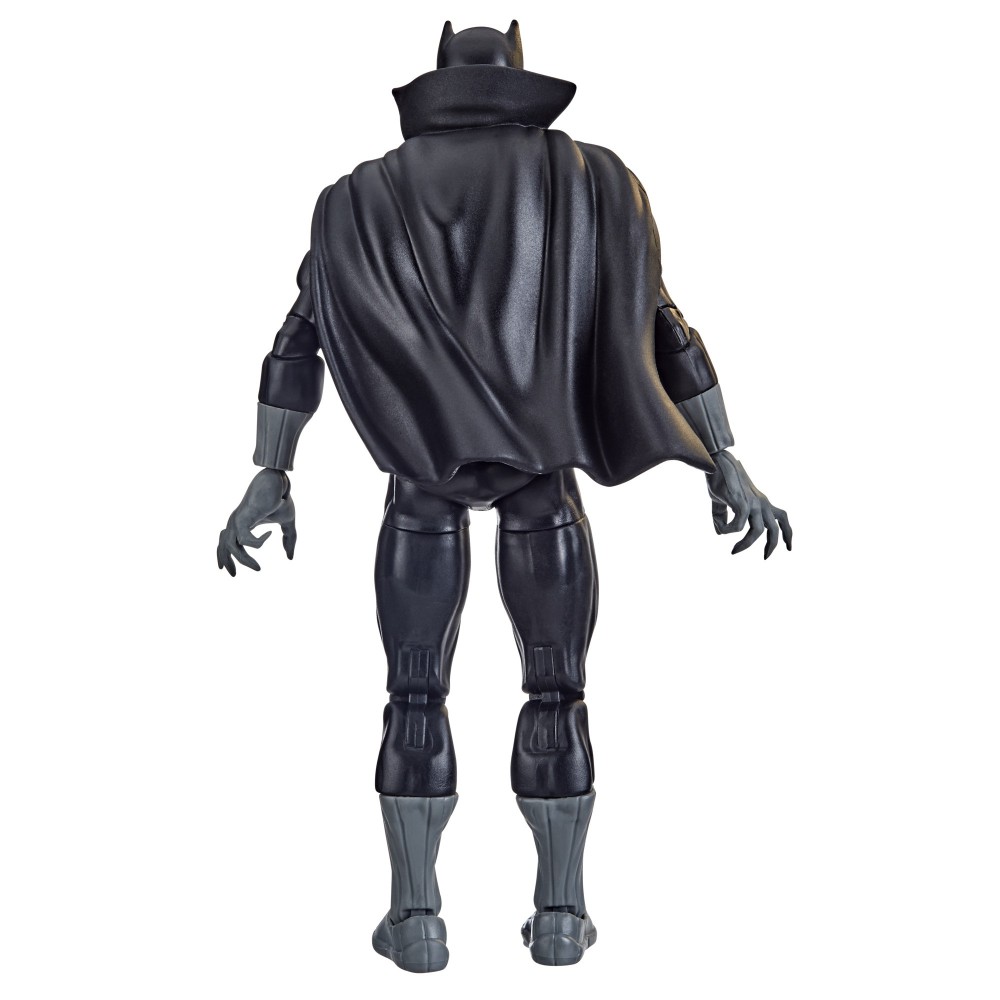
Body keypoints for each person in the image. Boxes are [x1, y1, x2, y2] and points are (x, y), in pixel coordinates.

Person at [217, 20, 791, 973]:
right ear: (520, 79)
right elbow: (666, 327)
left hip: (419, 483)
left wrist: (270, 472)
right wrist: (724, 457)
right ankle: (561, 916)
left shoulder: (358, 199)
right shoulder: (592, 182)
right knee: (558, 691)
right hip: (542, 480)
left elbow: (296, 339)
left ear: (437, 82)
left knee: (413, 694)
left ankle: (416, 920)